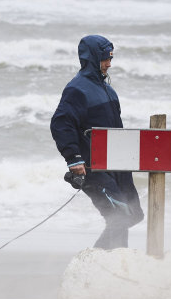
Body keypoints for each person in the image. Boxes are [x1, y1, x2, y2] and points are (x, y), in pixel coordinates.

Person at [50, 34, 144, 249]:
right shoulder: (77, 89)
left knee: (132, 214)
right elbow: (61, 124)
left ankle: (108, 259)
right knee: (119, 215)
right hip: (93, 168)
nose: (109, 64)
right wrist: (74, 159)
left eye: (111, 58)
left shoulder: (109, 91)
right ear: (92, 58)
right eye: (105, 59)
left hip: (116, 165)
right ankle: (102, 262)